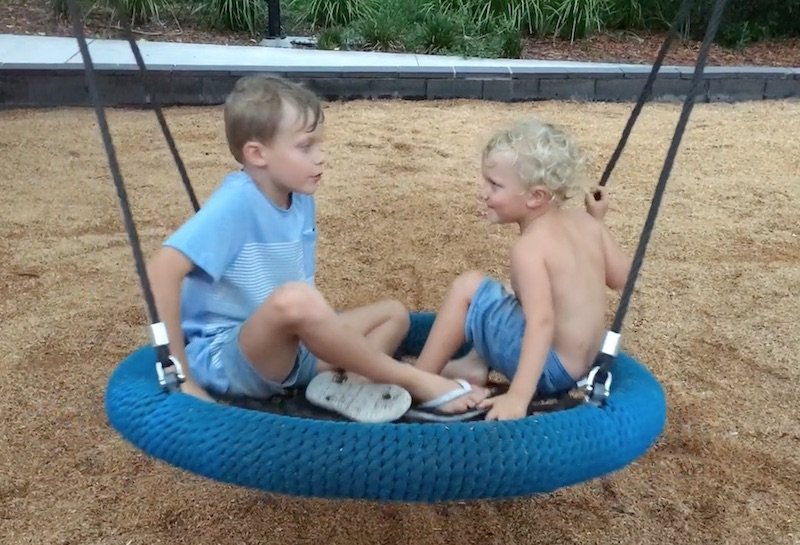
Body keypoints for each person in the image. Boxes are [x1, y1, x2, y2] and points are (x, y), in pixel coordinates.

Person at [146, 75, 487, 423]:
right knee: (296, 300)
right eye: (305, 147)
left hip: (290, 352)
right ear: (257, 153)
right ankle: (414, 380)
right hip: (231, 358)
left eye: (319, 145)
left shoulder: (299, 197)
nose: (320, 158)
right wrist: (181, 373)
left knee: (393, 314)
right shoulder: (237, 202)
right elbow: (162, 271)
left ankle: (352, 384)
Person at [410, 119, 631, 422]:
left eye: (495, 185)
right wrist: (598, 223)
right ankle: (472, 365)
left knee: (469, 287)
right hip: (582, 364)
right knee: (513, 291)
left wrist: (518, 396)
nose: (483, 192)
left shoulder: (529, 249)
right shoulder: (586, 224)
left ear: (535, 196)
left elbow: (541, 323)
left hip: (549, 371)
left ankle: (419, 380)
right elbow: (622, 279)